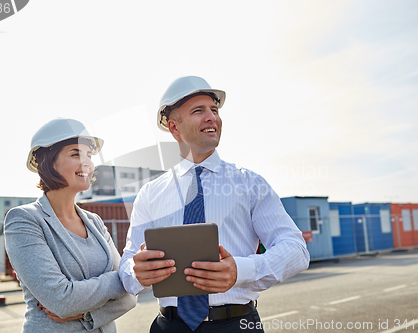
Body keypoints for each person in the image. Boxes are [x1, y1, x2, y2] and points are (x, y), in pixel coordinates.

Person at [119, 76, 310, 332]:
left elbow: (296, 250)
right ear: (174, 128)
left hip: (236, 325)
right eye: (199, 111)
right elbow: (129, 262)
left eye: (215, 110)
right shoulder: (150, 194)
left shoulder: (250, 184)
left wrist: (241, 270)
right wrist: (137, 273)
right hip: (168, 326)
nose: (212, 117)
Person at [4, 118, 136, 333]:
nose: (88, 163)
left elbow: (130, 296)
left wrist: (88, 313)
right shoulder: (24, 220)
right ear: (48, 162)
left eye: (89, 155)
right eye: (75, 154)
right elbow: (61, 301)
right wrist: (121, 278)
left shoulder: (94, 221)